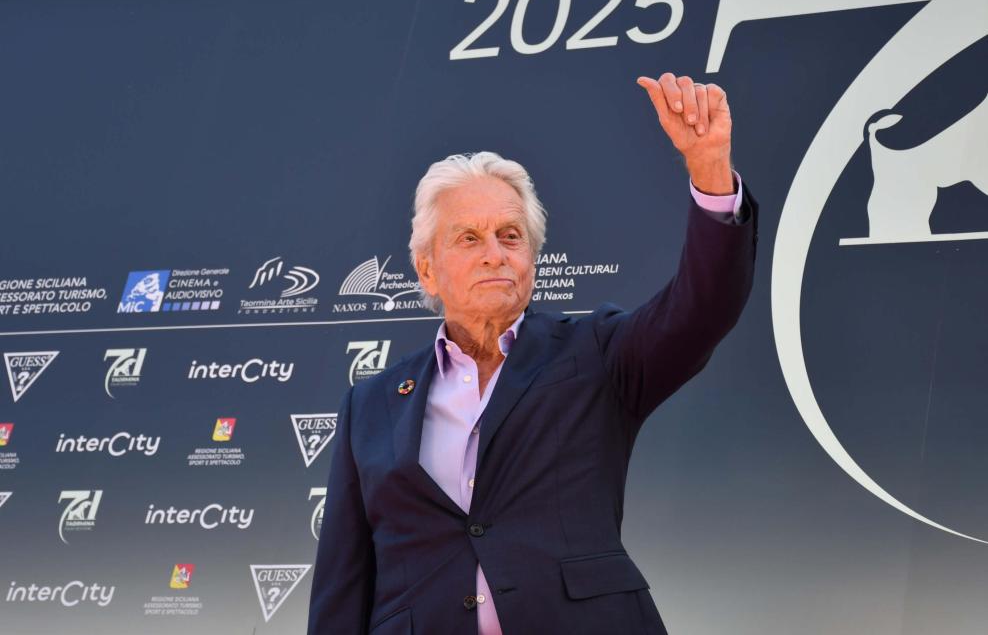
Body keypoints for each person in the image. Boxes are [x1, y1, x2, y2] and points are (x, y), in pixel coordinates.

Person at [307, 73, 758, 634]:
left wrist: (710, 170)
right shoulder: (371, 404)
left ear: (532, 257)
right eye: (469, 238)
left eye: (510, 235)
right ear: (427, 269)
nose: (494, 254)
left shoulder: (597, 353)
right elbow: (343, 583)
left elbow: (701, 310)